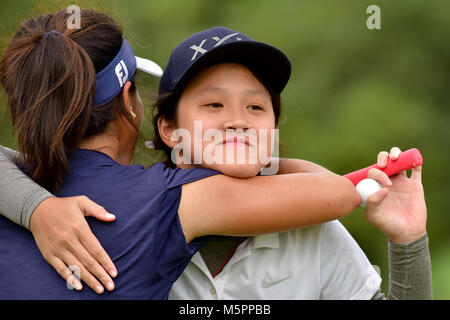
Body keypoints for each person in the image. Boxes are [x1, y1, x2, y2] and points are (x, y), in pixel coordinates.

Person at [0, 24, 431, 300]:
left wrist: (408, 240)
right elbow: (337, 192)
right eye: (213, 105)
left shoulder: (314, 231)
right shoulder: (161, 203)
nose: (238, 121)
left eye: (257, 109)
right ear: (162, 125)